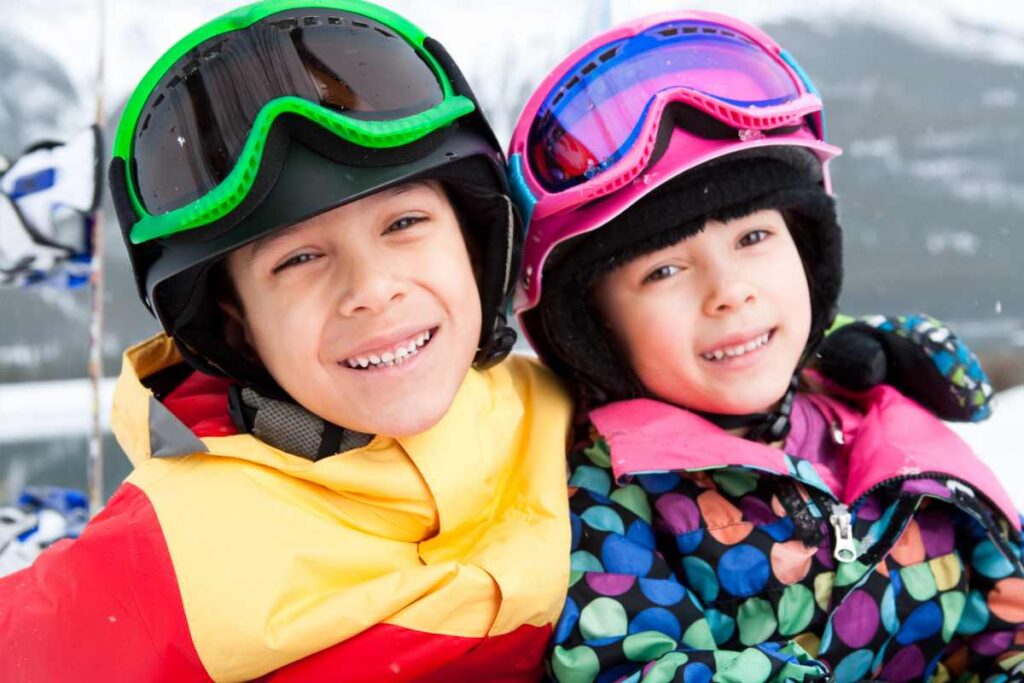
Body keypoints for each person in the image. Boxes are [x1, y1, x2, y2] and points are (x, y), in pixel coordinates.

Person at [0, 2, 574, 680]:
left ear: (474, 240)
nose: (371, 287)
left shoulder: (569, 413)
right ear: (238, 322)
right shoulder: (172, 554)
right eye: (298, 259)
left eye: (404, 222)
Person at [507, 10, 1023, 682]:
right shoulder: (613, 501)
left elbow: (1003, 618)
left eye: (753, 238)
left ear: (809, 253)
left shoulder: (879, 419)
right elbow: (629, 666)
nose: (730, 292)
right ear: (597, 331)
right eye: (663, 270)